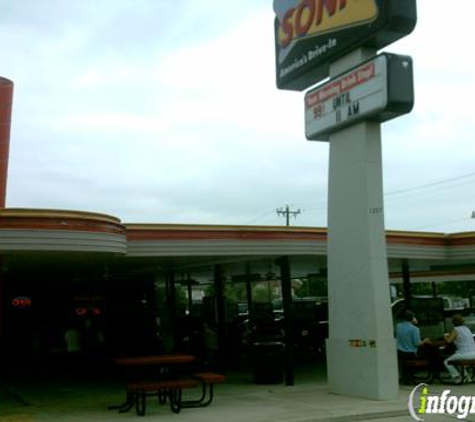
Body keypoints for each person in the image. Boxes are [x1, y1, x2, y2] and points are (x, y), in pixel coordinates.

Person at [395, 310, 429, 384]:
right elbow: (417, 343)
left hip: (400, 352)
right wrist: (424, 341)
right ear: (412, 318)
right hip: (411, 353)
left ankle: (405, 377)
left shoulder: (398, 326)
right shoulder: (415, 329)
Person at [443, 314, 475, 383]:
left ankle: (457, 377)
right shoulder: (467, 328)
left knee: (446, 362)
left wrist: (445, 336)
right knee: (457, 360)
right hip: (474, 353)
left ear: (453, 322)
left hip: (464, 353)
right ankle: (466, 377)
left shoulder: (455, 329)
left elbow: (449, 341)